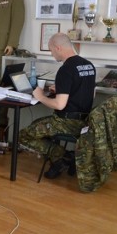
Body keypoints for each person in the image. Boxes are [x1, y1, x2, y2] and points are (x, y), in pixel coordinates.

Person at [19, 33, 96, 179]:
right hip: (85, 120)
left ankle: (61, 158)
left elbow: (60, 105)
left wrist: (40, 96)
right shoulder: (88, 65)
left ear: (58, 48)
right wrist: (62, 89)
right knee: (38, 126)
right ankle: (65, 159)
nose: (52, 54)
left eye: (51, 50)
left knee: (24, 135)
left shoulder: (66, 69)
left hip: (65, 122)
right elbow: (90, 95)